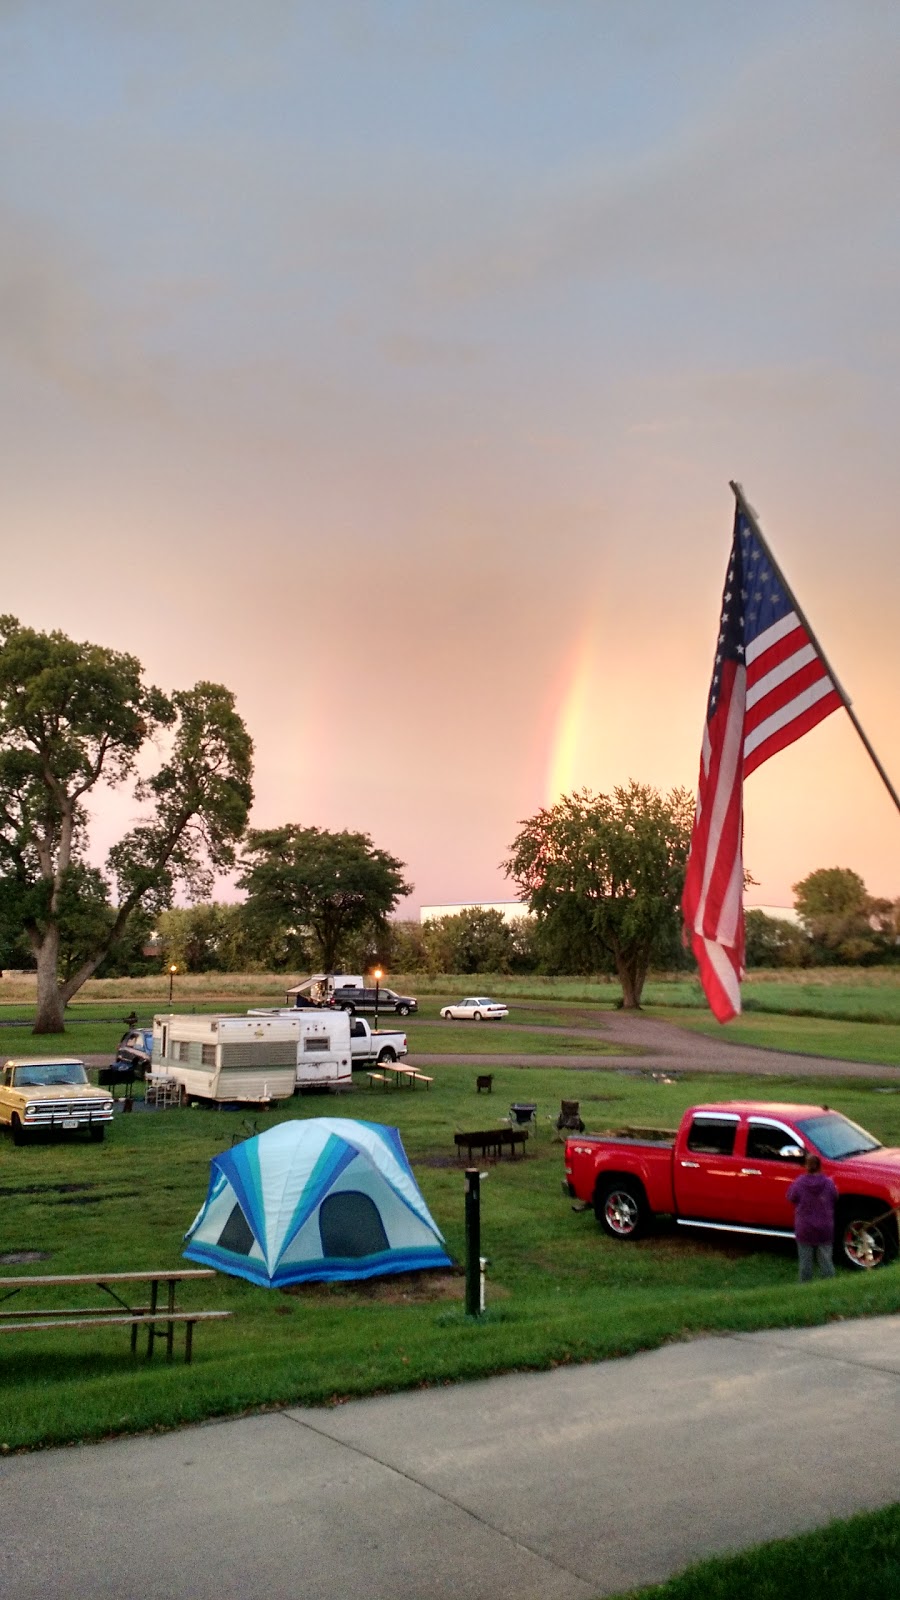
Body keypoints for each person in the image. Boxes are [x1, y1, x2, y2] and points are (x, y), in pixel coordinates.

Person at [786, 1153, 838, 1282]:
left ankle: (805, 1288)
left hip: (805, 1227)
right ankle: (830, 1285)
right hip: (824, 1228)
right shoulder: (828, 1183)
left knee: (805, 1263)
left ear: (806, 1166)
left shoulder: (799, 1183)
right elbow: (835, 1197)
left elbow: (791, 1197)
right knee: (826, 1261)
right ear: (820, 1166)